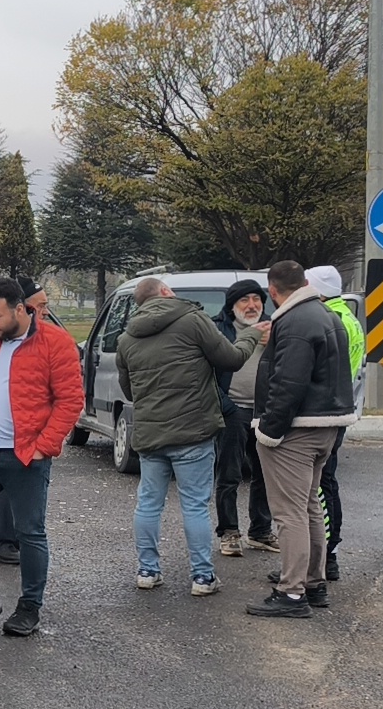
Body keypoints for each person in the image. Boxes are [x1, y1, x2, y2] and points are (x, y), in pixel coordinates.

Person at [0, 276, 85, 636]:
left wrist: (45, 445)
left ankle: (29, 606)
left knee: (29, 532)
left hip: (25, 454)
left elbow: (70, 400)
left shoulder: (55, 342)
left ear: (20, 310)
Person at [116, 277, 265, 596]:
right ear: (167, 293)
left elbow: (128, 390)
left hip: (150, 433)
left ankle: (147, 570)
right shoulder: (193, 320)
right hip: (193, 431)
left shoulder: (128, 337)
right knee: (195, 505)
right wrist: (252, 334)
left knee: (148, 503)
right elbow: (232, 359)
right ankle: (202, 577)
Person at [247, 261, 356, 618]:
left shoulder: (293, 322)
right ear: (305, 282)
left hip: (297, 430)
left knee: (289, 512)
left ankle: (291, 593)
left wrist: (269, 431)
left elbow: (288, 384)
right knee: (309, 505)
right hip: (326, 425)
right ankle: (314, 581)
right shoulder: (327, 315)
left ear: (273, 291)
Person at [0, 277, 61, 566]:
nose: (45, 311)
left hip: (35, 430)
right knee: (8, 486)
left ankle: (16, 539)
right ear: (23, 309)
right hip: (14, 431)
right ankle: (4, 541)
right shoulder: (8, 340)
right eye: (40, 306)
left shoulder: (45, 337)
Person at [305, 265, 364, 582]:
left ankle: (326, 556)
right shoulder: (348, 317)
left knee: (321, 488)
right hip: (339, 409)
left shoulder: (331, 320)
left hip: (324, 413)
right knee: (325, 485)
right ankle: (324, 555)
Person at [212, 280, 276, 557]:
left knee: (265, 475)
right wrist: (224, 406)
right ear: (232, 305)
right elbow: (207, 373)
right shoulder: (219, 330)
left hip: (265, 412)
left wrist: (275, 342)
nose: (252, 306)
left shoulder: (276, 328)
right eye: (244, 301)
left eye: (256, 299)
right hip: (232, 409)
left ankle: (260, 531)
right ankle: (229, 532)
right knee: (229, 474)